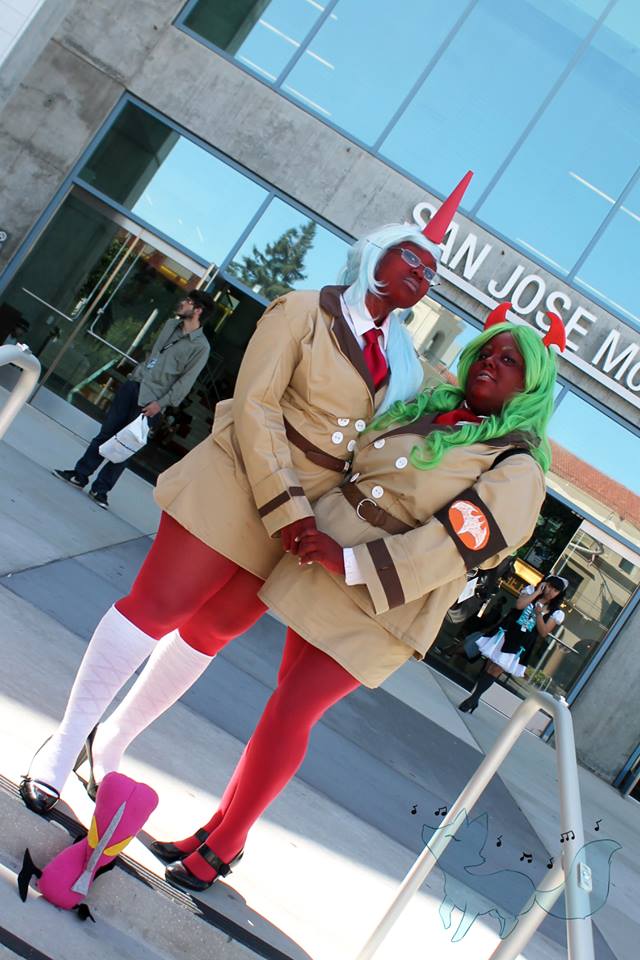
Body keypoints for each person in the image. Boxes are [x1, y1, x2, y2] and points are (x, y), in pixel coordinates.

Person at [19, 172, 473, 822]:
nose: (422, 277)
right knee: (157, 607)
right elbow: (256, 407)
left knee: (211, 633)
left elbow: (444, 412)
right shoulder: (300, 312)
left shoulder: (405, 364)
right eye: (413, 260)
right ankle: (63, 746)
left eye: (431, 274)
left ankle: (110, 745)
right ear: (378, 254)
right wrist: (289, 507)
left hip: (301, 524)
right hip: (239, 482)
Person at [151, 303, 565, 893]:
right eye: (489, 351)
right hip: (325, 559)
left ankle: (224, 844)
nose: (492, 363)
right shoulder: (433, 410)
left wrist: (350, 561)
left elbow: (453, 546)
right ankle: (218, 830)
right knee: (282, 708)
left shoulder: (518, 467)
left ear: (534, 387)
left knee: (290, 712)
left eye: (512, 361)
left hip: (384, 599)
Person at [52, 290, 212, 509]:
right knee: (106, 434)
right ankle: (80, 475)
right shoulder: (169, 326)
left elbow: (185, 383)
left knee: (126, 446)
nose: (182, 303)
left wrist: (160, 404)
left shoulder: (201, 347)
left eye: (188, 302)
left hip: (152, 401)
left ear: (198, 310)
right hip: (133, 386)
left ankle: (101, 490)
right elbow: (154, 355)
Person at [458, 575, 568, 713]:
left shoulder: (556, 612)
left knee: (496, 669)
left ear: (559, 594)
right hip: (506, 633)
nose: (551, 591)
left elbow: (544, 632)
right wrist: (537, 593)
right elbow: (519, 605)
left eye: (556, 590)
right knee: (489, 665)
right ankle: (474, 698)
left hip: (520, 642)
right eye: (550, 586)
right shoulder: (530, 591)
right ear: (545, 584)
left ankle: (473, 699)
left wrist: (539, 614)